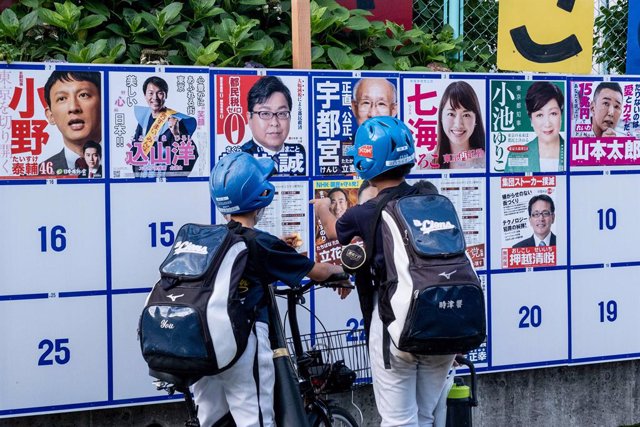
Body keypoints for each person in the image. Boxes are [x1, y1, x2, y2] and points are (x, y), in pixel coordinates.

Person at [193, 151, 349, 427]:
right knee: (256, 418)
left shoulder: (212, 238)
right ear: (261, 195)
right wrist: (344, 271)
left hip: (205, 344)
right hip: (243, 342)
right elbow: (320, 271)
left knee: (211, 419)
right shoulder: (260, 242)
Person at [336, 116, 455, 427]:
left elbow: (341, 232)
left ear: (366, 163)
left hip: (394, 324)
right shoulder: (433, 199)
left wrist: (325, 210)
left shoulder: (361, 214)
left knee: (398, 421)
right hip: (443, 320)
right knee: (427, 417)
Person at [131, 76, 198, 176]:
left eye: (160, 93)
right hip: (144, 178)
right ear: (145, 95)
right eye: (150, 93)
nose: (155, 97)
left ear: (165, 95)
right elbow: (135, 149)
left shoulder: (176, 121)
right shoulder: (143, 119)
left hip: (165, 178)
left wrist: (176, 135)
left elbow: (190, 153)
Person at [40, 71, 102, 176]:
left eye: (83, 95)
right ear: (50, 115)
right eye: (62, 98)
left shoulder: (129, 162)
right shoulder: (38, 173)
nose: (73, 108)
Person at [241, 75, 305, 175]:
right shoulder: (241, 159)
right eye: (265, 113)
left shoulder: (300, 153)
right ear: (249, 118)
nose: (275, 123)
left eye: (282, 113)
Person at [505, 82, 565, 172]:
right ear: (531, 120)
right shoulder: (516, 156)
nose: (547, 123)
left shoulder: (574, 154)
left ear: (561, 115)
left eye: (553, 113)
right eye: (539, 115)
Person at [436, 81, 485, 169]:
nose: (458, 124)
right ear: (441, 117)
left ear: (476, 119)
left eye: (466, 115)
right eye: (451, 114)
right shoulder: (427, 163)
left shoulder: (488, 161)